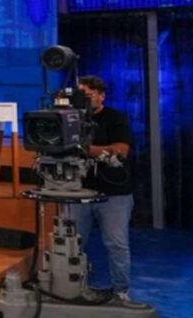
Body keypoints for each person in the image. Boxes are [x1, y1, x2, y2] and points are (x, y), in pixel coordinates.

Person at [71, 75, 148, 309]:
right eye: (80, 96)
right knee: (73, 243)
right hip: (78, 192)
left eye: (88, 95)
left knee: (116, 244)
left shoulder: (115, 118)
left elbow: (121, 150)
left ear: (101, 96)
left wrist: (85, 149)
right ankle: (75, 288)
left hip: (114, 193)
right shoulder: (71, 119)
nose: (84, 100)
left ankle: (120, 292)